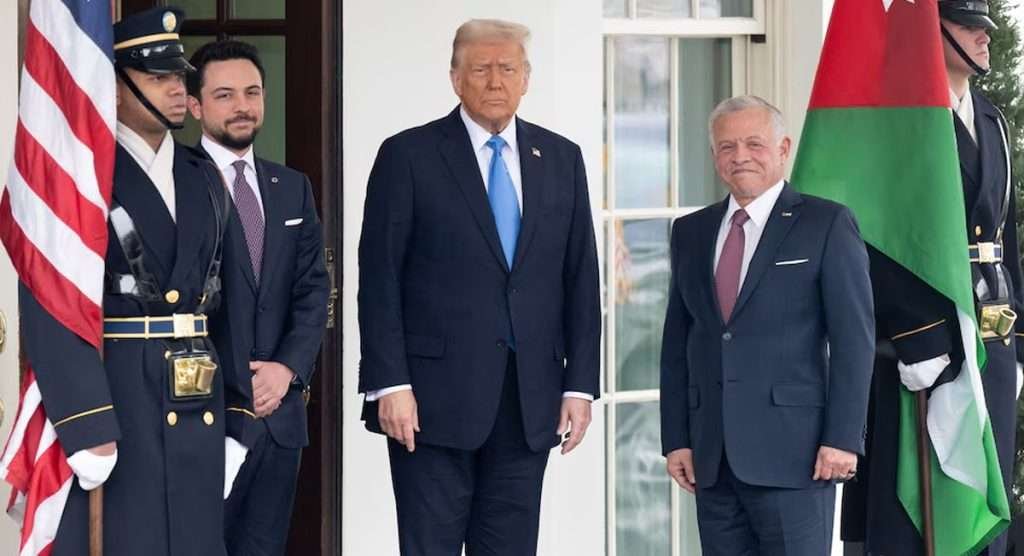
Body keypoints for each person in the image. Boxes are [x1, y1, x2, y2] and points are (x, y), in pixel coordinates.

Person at [357, 18, 601, 555]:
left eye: (508, 69)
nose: (495, 81)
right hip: (428, 404)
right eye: (481, 69)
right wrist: (389, 383)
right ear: (455, 78)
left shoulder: (562, 158)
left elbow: (581, 277)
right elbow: (379, 279)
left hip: (528, 400)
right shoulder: (408, 155)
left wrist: (579, 386)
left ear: (526, 78)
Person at [21, 7, 246, 555]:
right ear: (116, 88)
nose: (177, 89)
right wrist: (84, 423)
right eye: (157, 76)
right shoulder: (83, 180)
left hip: (199, 398)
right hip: (120, 400)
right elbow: (51, 299)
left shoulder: (204, 176)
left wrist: (238, 416)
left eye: (179, 76)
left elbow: (233, 303)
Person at [840, 2, 1023, 554]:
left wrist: (1018, 337)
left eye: (986, 27)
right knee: (923, 508)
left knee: (984, 500)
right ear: (929, 30)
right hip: (925, 342)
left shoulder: (990, 117)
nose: (985, 38)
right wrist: (913, 331)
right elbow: (875, 235)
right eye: (969, 26)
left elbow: (1004, 235)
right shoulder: (896, 120)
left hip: (989, 331)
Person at [660, 95, 875, 556]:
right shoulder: (691, 232)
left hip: (798, 457)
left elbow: (854, 341)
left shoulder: (826, 223)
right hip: (712, 459)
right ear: (714, 155)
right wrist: (676, 439)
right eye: (727, 146)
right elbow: (678, 343)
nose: (740, 156)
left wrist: (842, 438)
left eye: (754, 144)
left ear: (783, 148)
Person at [186, 39, 330, 556]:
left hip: (279, 417)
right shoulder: (177, 182)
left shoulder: (292, 186)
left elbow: (313, 288)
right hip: (202, 415)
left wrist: (286, 369)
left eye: (252, 92)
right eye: (224, 95)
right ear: (195, 105)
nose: (242, 105)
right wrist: (236, 378)